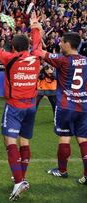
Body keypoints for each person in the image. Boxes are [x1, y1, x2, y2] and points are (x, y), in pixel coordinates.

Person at [0, 13, 42, 201]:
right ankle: (21, 177)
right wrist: (35, 27)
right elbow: (37, 44)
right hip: (31, 107)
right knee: (24, 142)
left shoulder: (10, 58)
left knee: (10, 142)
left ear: (13, 47)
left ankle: (19, 181)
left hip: (14, 106)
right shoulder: (35, 56)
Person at [38, 32, 87, 185]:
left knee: (65, 137)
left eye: (62, 41)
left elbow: (38, 51)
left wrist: (37, 29)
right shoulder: (85, 61)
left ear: (68, 44)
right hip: (84, 106)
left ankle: (62, 170)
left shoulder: (63, 60)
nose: (59, 44)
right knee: (83, 140)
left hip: (66, 106)